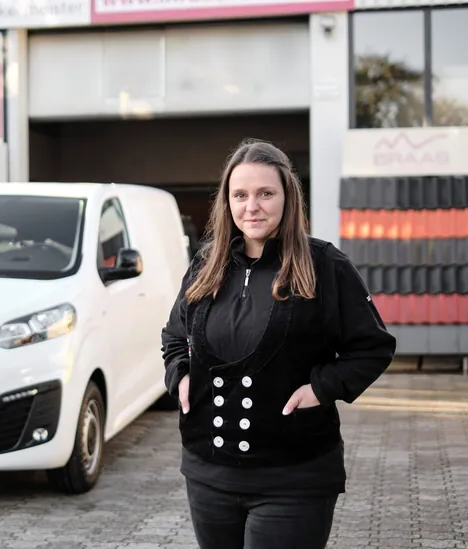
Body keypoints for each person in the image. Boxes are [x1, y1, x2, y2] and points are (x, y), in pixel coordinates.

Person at [161, 139, 396, 549]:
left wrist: (322, 388)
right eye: (240, 194)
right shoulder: (206, 263)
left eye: (265, 193)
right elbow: (175, 336)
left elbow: (372, 347)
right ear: (227, 201)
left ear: (288, 197)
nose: (251, 206)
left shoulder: (324, 265)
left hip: (294, 476)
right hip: (207, 472)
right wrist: (179, 373)